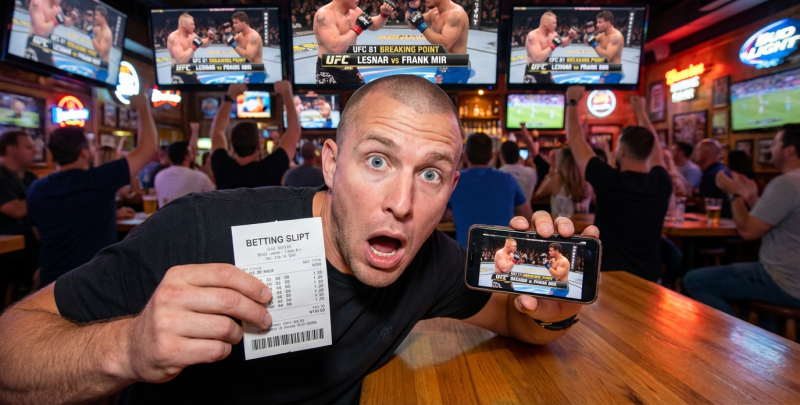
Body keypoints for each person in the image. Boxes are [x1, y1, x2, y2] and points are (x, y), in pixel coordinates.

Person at [0, 75, 598, 404]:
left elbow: (514, 320)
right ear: (331, 164)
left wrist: (550, 310)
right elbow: (10, 350)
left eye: (430, 174)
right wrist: (128, 347)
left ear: (452, 189)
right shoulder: (202, 229)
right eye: (377, 161)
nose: (402, 202)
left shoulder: (431, 261)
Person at [26, 99, 157, 286]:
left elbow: (39, 234)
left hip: (50, 283)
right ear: (83, 152)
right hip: (95, 284)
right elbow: (148, 148)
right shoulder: (99, 179)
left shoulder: (37, 188)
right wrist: (142, 104)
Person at [684, 124, 800, 327]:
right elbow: (772, 220)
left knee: (693, 281)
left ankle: (738, 335)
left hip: (784, 281)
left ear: (789, 150)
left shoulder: (786, 184)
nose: (770, 149)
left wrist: (734, 194)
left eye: (775, 143)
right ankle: (765, 334)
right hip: (793, 278)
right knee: (740, 289)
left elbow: (748, 232)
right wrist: (753, 198)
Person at [565, 86, 672, 282]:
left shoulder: (609, 181)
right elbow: (656, 151)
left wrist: (572, 102)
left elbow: (575, 140)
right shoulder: (661, 183)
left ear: (621, 152)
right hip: (649, 277)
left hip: (608, 276)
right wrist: (641, 112)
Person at [445, 132, 533, 248]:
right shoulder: (508, 180)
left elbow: (438, 216)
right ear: (492, 155)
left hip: (466, 254)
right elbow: (528, 217)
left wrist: (455, 212)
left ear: (465, 155)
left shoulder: (455, 181)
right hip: (502, 254)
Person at [210, 82, 300, 190]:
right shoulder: (271, 169)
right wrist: (286, 93)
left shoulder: (222, 169)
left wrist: (230, 95)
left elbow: (217, 131)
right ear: (258, 146)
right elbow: (294, 131)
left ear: (232, 146)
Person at [313, 0, 395, 84]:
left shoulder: (355, 11)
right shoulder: (325, 15)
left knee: (361, 94)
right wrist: (357, 28)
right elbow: (335, 48)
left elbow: (373, 25)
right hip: (329, 69)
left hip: (350, 67)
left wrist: (384, 15)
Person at [405, 0, 472, 84]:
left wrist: (421, 25)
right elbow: (412, 25)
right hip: (442, 65)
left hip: (457, 68)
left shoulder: (456, 14)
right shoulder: (433, 13)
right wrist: (411, 10)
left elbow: (445, 45)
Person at [0, 131, 39, 297]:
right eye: (29, 147)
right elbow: (16, 210)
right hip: (8, 251)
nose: (35, 151)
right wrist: (44, 198)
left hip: (34, 246)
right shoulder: (1, 177)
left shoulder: (30, 177)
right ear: (11, 149)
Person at [26, 0, 76, 65]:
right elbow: (40, 31)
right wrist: (56, 22)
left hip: (47, 45)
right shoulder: (37, 2)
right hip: (35, 43)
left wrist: (72, 19)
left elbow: (65, 22)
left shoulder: (56, 8)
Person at [533, 147, 593, 217]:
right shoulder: (587, 184)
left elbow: (537, 196)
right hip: (582, 223)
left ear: (560, 162)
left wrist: (548, 176)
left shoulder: (556, 181)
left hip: (559, 222)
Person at [154, 142, 215, 207]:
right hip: (191, 213)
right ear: (187, 157)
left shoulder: (159, 176)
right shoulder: (199, 176)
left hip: (165, 213)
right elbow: (215, 198)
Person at [523, 11, 579, 84]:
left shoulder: (553, 34)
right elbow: (537, 59)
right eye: (554, 23)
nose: (556, 25)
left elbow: (562, 43)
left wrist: (570, 37)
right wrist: (552, 45)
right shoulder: (533, 36)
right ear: (545, 23)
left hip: (546, 71)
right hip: (533, 72)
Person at [167, 13, 216, 84]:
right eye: (191, 24)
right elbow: (181, 61)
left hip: (190, 70)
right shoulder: (174, 38)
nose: (194, 27)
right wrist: (193, 46)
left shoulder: (192, 35)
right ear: (184, 25)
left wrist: (210, 38)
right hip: (179, 72)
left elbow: (203, 43)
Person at [221, 11, 267, 84]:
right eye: (233, 23)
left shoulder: (253, 37)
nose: (233, 25)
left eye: (236, 23)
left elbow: (248, 56)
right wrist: (227, 34)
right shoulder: (241, 35)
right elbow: (227, 42)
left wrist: (233, 44)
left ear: (244, 23)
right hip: (248, 70)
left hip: (257, 72)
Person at [694, 139, 732, 218]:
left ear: (706, 153)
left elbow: (705, 204)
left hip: (719, 220)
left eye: (698, 150)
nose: (694, 154)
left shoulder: (712, 174)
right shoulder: (722, 170)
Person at [585, 11, 625, 84]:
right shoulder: (602, 35)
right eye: (597, 22)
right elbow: (587, 42)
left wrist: (593, 42)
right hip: (606, 70)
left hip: (614, 71)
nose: (597, 25)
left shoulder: (616, 37)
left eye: (600, 22)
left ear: (608, 23)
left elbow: (607, 57)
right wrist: (589, 33)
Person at [88, 5, 112, 82]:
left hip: (102, 67)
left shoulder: (106, 33)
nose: (95, 17)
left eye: (97, 15)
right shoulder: (99, 29)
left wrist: (92, 36)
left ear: (102, 17)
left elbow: (100, 52)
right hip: (97, 64)